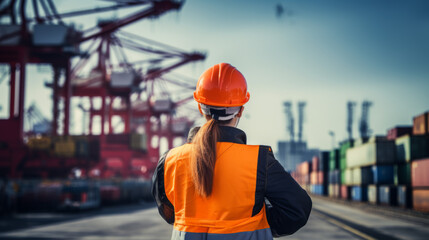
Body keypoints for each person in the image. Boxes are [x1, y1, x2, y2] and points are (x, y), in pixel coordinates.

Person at [152, 63, 312, 239]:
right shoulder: (259, 162)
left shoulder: (169, 161)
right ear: (240, 110)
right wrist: (261, 224)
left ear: (200, 107)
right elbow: (298, 209)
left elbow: (168, 212)